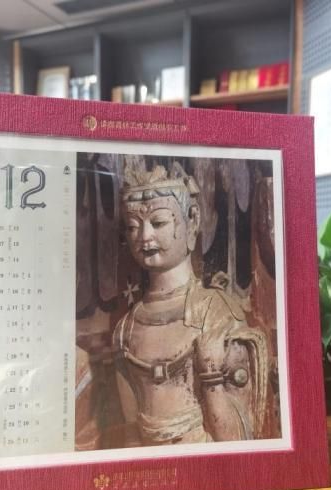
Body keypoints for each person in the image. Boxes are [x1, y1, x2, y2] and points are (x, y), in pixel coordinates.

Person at [112, 159, 269, 446]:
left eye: (158, 222)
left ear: (192, 221)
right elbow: (131, 433)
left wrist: (211, 377)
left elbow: (234, 439)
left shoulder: (216, 314)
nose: (144, 236)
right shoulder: (126, 329)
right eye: (133, 226)